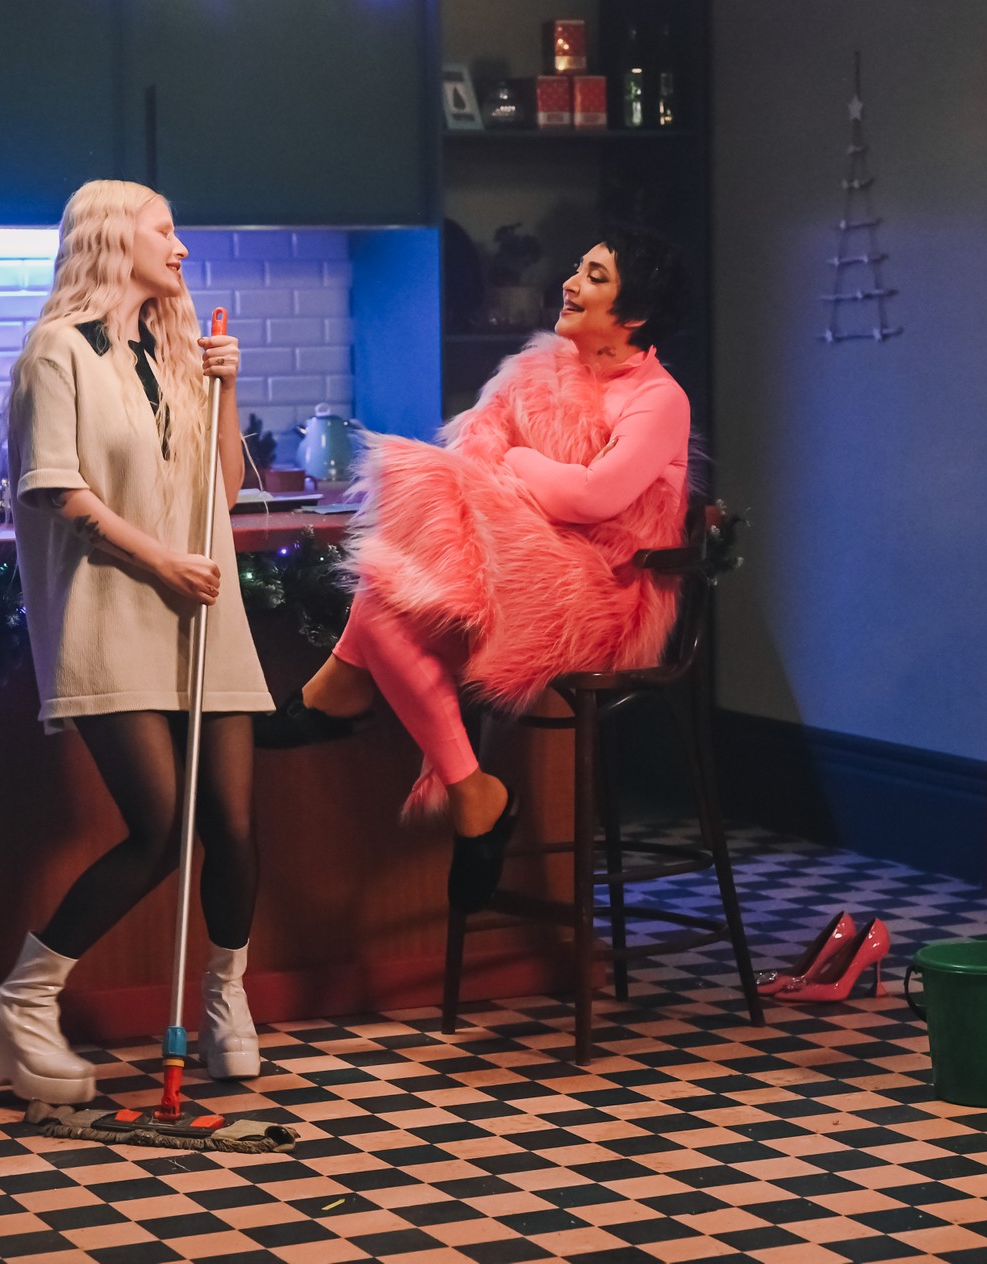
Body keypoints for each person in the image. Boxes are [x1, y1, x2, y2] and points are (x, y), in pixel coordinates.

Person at [257, 223, 693, 914]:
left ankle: (341, 688)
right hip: (525, 565)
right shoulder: (536, 373)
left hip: (601, 594)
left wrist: (520, 466)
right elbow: (477, 456)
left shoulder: (658, 399)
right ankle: (472, 794)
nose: (570, 283)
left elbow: (594, 498)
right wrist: (517, 488)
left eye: (595, 277)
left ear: (633, 315)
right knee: (398, 579)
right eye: (578, 267)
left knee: (408, 532)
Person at [0, 180, 272, 1104]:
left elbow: (221, 495)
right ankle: (22, 1005)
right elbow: (58, 488)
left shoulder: (170, 353)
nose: (181, 247)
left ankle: (226, 997)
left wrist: (226, 387)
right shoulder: (56, 352)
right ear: (112, 238)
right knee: (161, 829)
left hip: (203, 611)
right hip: (113, 610)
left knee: (233, 824)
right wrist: (163, 562)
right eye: (164, 230)